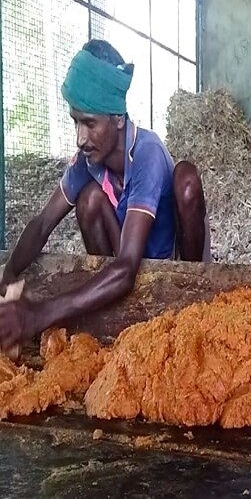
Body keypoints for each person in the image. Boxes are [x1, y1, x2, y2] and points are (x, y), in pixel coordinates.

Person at [0, 39, 210, 350]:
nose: (80, 138)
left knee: (187, 179)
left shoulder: (147, 153)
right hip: (123, 266)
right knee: (88, 199)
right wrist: (8, 277)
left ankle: (191, 295)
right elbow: (43, 223)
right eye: (75, 122)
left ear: (118, 119)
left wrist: (39, 315)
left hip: (164, 266)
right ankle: (110, 308)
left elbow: (127, 270)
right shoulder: (89, 160)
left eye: (89, 123)